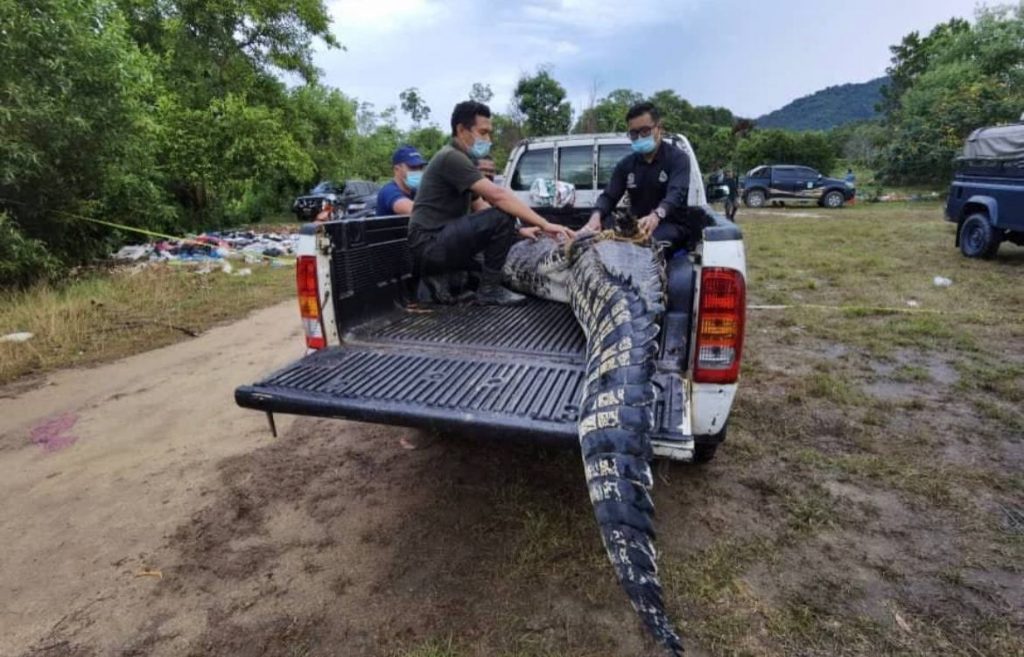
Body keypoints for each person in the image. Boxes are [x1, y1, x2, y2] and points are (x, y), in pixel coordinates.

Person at [409, 100, 573, 305]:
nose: (488, 139)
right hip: (430, 244)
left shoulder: (462, 160)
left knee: (490, 254)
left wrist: (519, 230)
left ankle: (447, 282)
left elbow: (480, 206)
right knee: (504, 213)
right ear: (461, 130)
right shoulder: (451, 157)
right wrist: (545, 224)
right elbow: (498, 196)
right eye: (483, 132)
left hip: (438, 242)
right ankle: (489, 290)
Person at [583, 102, 694, 256]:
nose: (640, 137)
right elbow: (609, 196)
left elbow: (675, 194)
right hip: (636, 225)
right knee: (599, 238)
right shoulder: (626, 165)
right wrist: (596, 217)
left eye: (645, 131)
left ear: (659, 128)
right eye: (634, 133)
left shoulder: (678, 159)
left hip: (669, 225)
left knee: (648, 246)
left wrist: (656, 215)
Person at [376, 145, 426, 216]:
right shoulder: (388, 191)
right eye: (413, 167)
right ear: (396, 169)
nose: (418, 172)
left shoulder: (415, 192)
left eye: (420, 168)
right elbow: (417, 211)